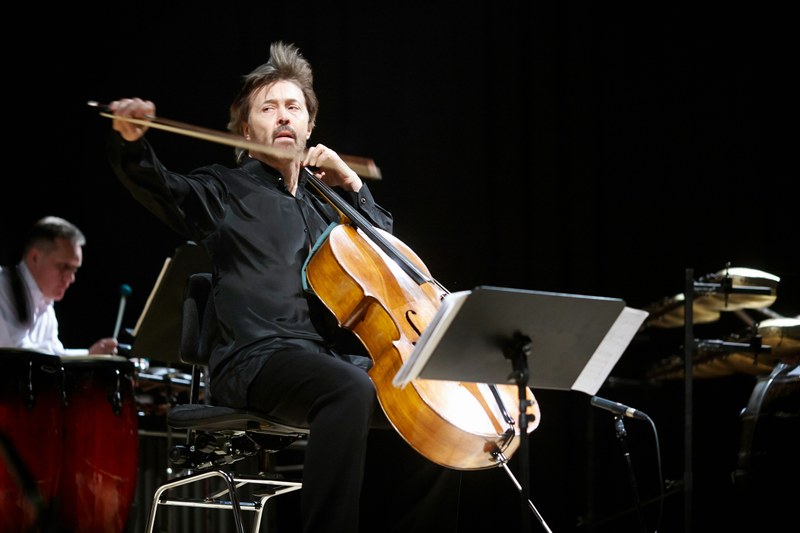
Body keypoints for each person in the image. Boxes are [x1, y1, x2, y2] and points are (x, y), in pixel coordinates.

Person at [106, 41, 458, 533]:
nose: (283, 116)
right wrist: (131, 144)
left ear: (310, 127)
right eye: (268, 108)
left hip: (321, 361)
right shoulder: (224, 190)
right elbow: (165, 188)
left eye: (293, 107)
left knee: (436, 403)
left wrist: (354, 188)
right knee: (349, 387)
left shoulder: (323, 207)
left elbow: (389, 259)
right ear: (247, 130)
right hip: (253, 360)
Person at [0, 216, 119, 356]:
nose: (71, 278)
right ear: (34, 257)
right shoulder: (3, 287)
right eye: (63, 267)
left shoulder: (45, 302)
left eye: (74, 269)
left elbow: (55, 355)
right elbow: (18, 356)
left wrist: (90, 356)